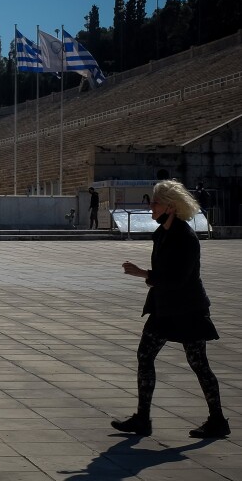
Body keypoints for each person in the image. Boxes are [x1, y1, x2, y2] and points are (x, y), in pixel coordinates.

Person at [113, 180, 229, 438]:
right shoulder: (162, 233)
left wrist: (143, 273)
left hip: (189, 310)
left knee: (199, 364)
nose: (150, 207)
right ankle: (142, 419)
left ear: (171, 207)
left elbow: (178, 279)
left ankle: (218, 420)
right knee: (145, 356)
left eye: (155, 202)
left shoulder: (186, 238)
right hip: (164, 309)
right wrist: (148, 276)